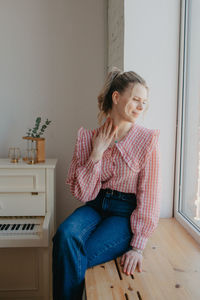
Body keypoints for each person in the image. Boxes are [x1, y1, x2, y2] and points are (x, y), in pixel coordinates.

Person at [52, 67, 161, 300]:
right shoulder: (88, 138)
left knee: (74, 256)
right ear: (116, 97)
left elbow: (150, 195)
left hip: (123, 214)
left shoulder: (146, 141)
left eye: (144, 102)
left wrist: (138, 246)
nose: (141, 107)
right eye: (136, 100)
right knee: (64, 236)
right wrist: (96, 154)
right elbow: (82, 193)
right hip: (94, 204)